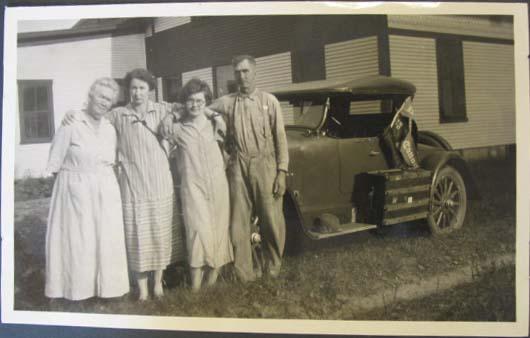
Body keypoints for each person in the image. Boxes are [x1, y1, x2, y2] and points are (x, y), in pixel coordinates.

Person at [45, 78, 129, 300]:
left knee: (105, 239)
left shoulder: (110, 128)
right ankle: (75, 292)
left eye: (109, 100)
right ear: (90, 96)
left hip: (105, 188)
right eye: (101, 97)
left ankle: (107, 291)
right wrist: (70, 189)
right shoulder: (71, 123)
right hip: (75, 190)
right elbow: (55, 163)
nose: (104, 103)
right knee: (78, 242)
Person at [209, 55, 289, 282]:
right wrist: (217, 123)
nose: (241, 76)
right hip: (238, 166)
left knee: (271, 219)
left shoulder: (269, 101)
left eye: (245, 71)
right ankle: (245, 274)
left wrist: (281, 172)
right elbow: (202, 110)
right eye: (237, 72)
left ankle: (272, 268)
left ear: (254, 72)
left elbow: (281, 139)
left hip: (266, 165)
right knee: (238, 222)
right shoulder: (228, 101)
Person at [168, 78, 233, 291]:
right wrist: (173, 114)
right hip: (193, 188)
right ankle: (196, 288)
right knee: (197, 232)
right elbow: (162, 127)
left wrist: (212, 114)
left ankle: (211, 284)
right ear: (184, 103)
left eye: (199, 101)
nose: (194, 105)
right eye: (190, 101)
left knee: (219, 231)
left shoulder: (216, 124)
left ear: (206, 102)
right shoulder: (177, 130)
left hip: (218, 186)